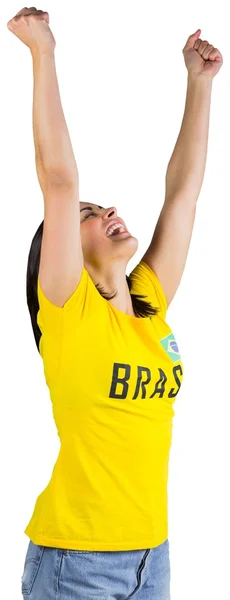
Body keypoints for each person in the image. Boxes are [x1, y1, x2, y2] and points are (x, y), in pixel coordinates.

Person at [7, 7, 223, 600]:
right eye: (86, 216)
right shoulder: (67, 309)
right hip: (76, 563)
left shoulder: (149, 305)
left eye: (101, 206)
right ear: (60, 254)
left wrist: (199, 86)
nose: (104, 211)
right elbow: (58, 179)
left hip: (153, 555)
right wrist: (42, 54)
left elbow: (183, 194)